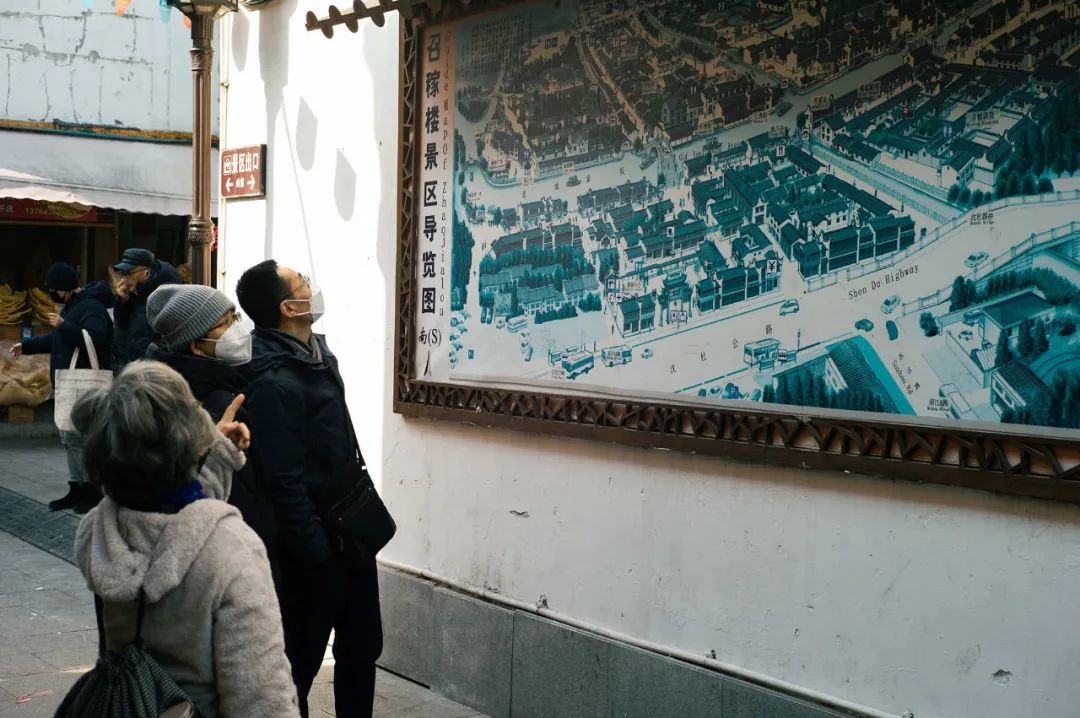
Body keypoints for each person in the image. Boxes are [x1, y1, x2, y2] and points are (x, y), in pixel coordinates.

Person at [70, 361, 300, 718]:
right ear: (189, 440)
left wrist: (216, 455)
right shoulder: (230, 549)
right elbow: (260, 698)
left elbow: (165, 516)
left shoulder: (98, 530)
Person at [236, 260, 382, 718]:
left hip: (351, 532)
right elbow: (284, 481)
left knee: (363, 647)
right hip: (314, 546)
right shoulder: (271, 379)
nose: (311, 288)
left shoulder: (318, 353)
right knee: (299, 663)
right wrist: (316, 553)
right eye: (302, 283)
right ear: (287, 307)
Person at [145, 284, 277, 574]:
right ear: (196, 345)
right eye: (224, 323)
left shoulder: (217, 382)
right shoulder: (208, 403)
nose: (236, 329)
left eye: (234, 318)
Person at [9, 262, 112, 513]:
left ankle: (92, 491)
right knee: (69, 436)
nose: (51, 295)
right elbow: (60, 340)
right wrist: (27, 346)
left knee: (83, 438)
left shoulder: (92, 307)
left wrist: (64, 326)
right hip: (71, 381)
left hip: (85, 383)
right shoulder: (74, 306)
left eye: (53, 290)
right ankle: (77, 488)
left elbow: (96, 339)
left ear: (66, 288)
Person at [111, 248, 181, 372]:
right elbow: (123, 325)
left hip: (152, 368)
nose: (124, 279)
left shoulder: (165, 293)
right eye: (122, 274)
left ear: (146, 273)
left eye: (128, 273)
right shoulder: (135, 292)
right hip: (133, 364)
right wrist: (123, 301)